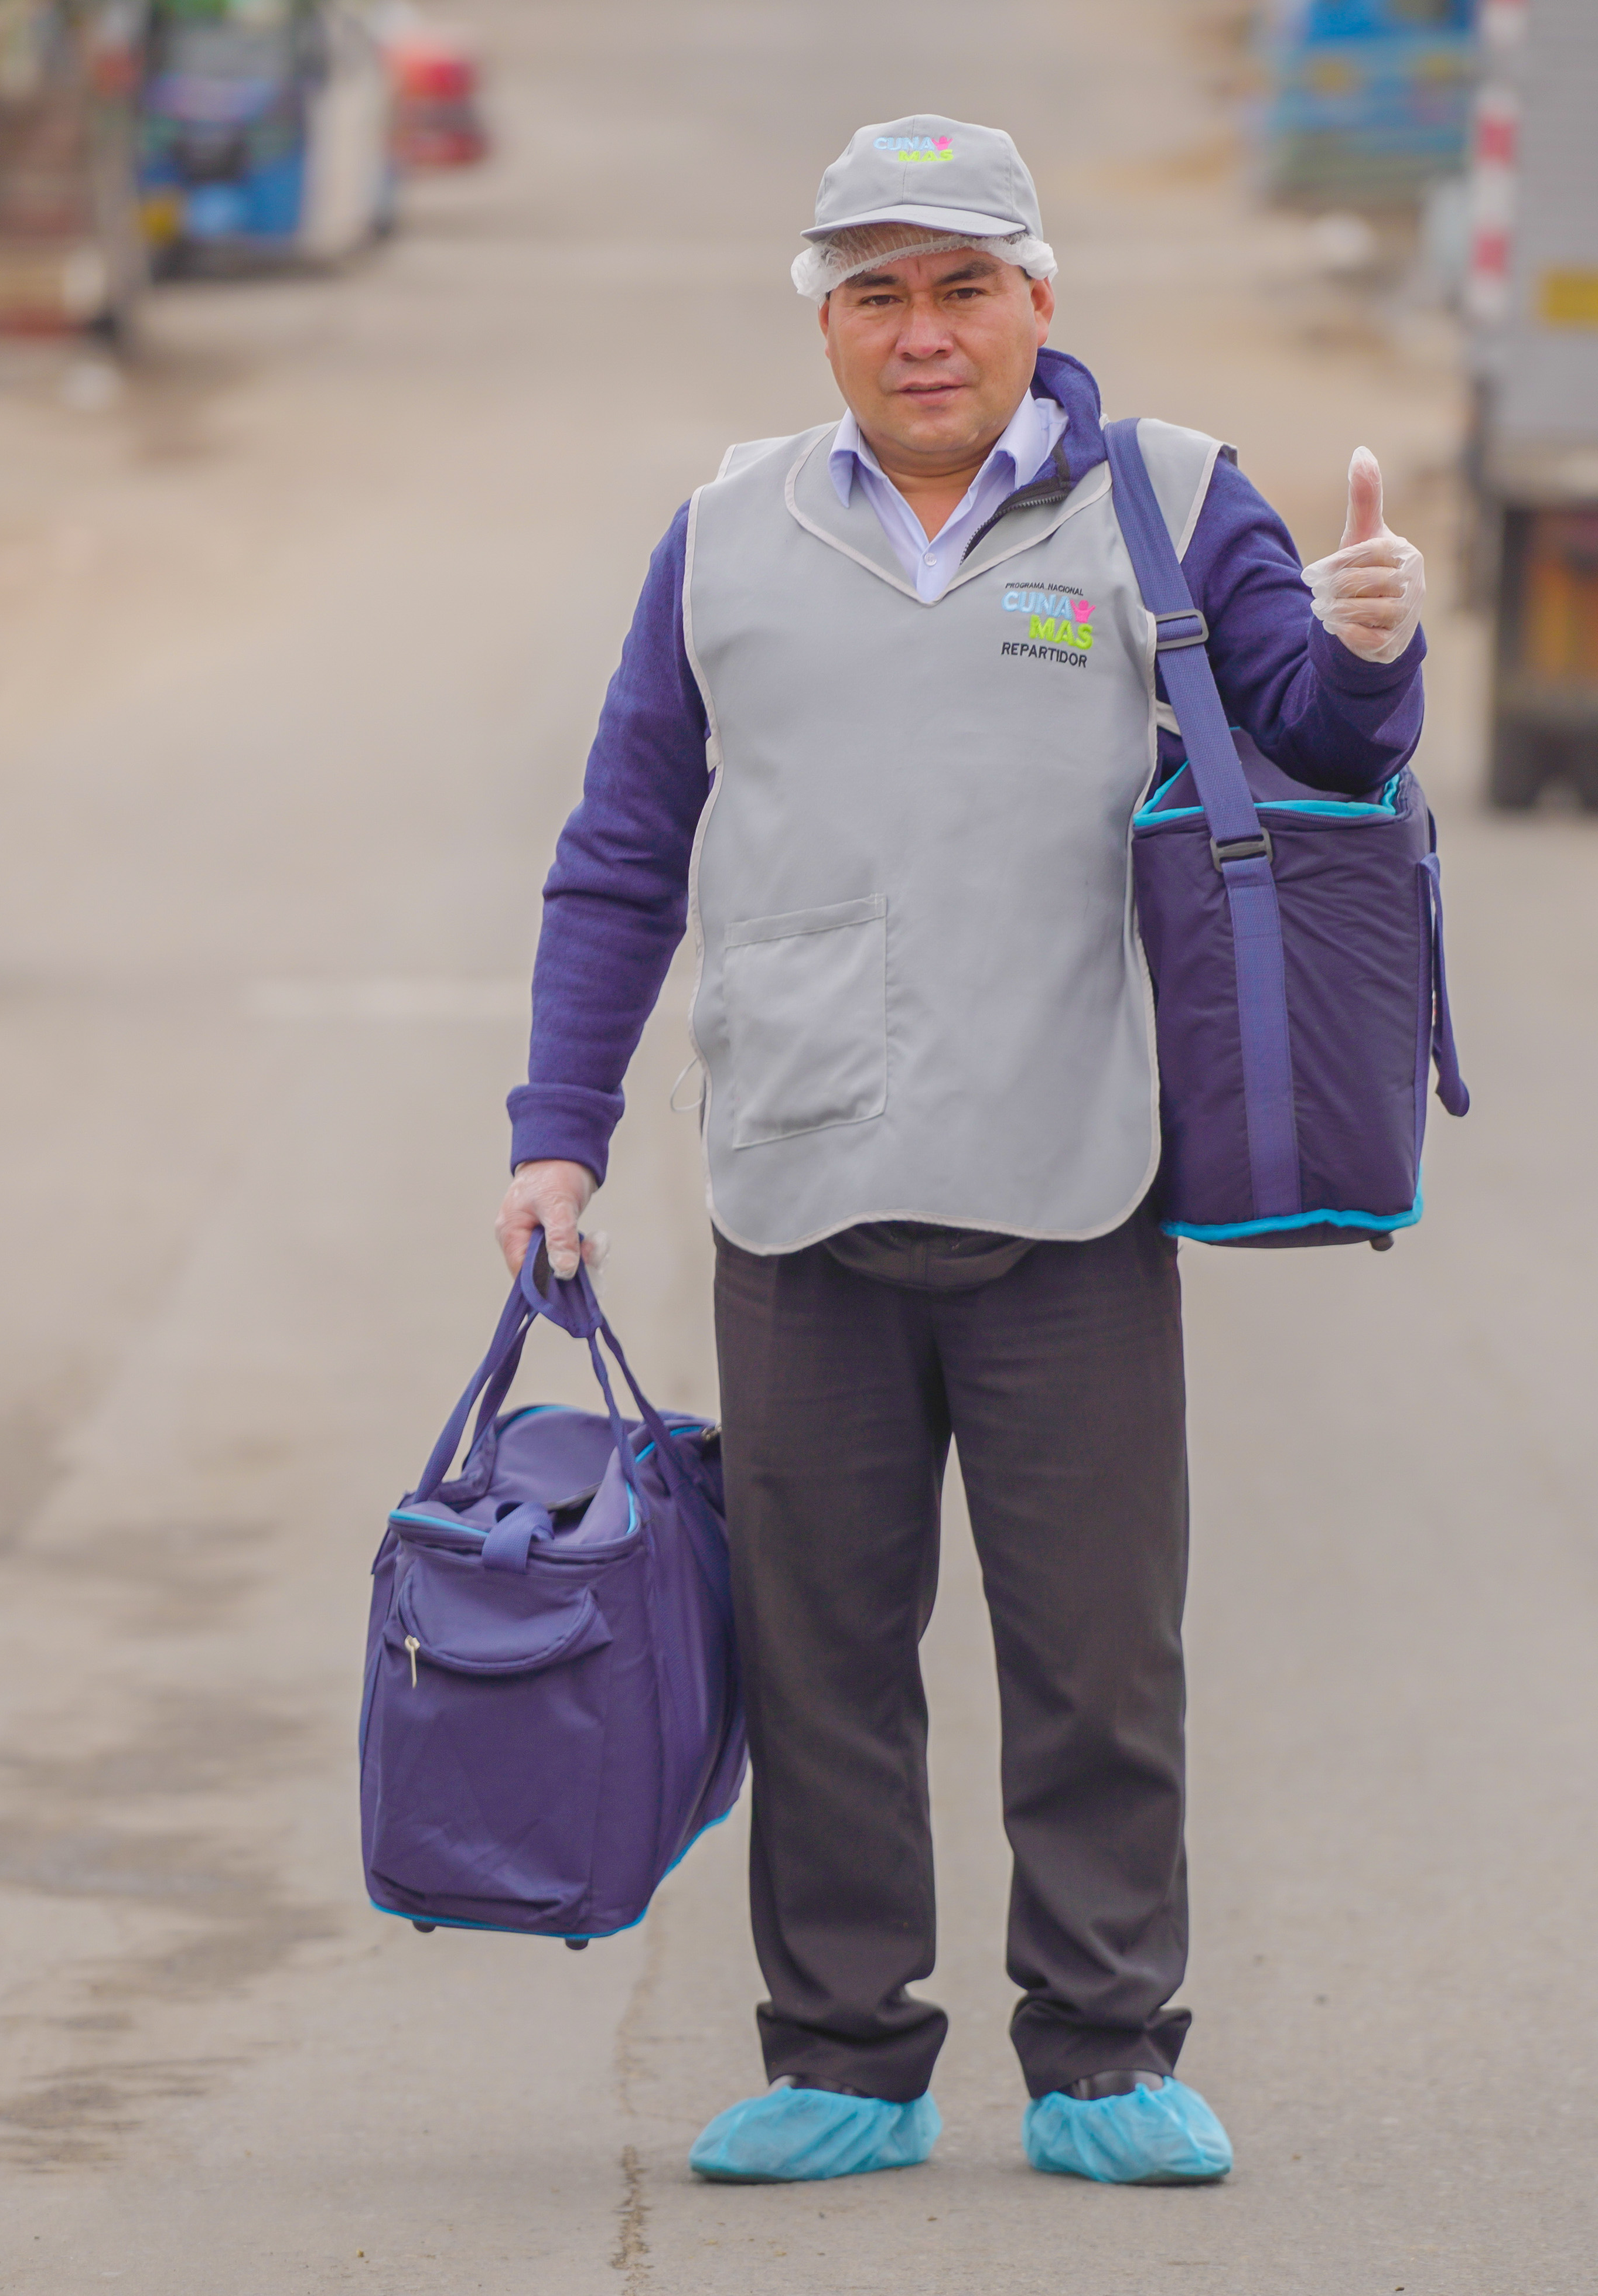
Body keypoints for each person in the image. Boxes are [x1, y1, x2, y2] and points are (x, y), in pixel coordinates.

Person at [495, 114, 1427, 2187]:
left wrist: (1370, 643)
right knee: (823, 1652)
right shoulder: (727, 535)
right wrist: (560, 1136)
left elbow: (1321, 737)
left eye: (964, 288)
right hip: (800, 1185)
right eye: (879, 295)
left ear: (1039, 300)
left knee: (1097, 1654)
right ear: (825, 319)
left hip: (1071, 1186)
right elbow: (622, 856)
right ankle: (846, 2056)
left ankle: (1103, 2058)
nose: (925, 335)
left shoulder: (1170, 502)